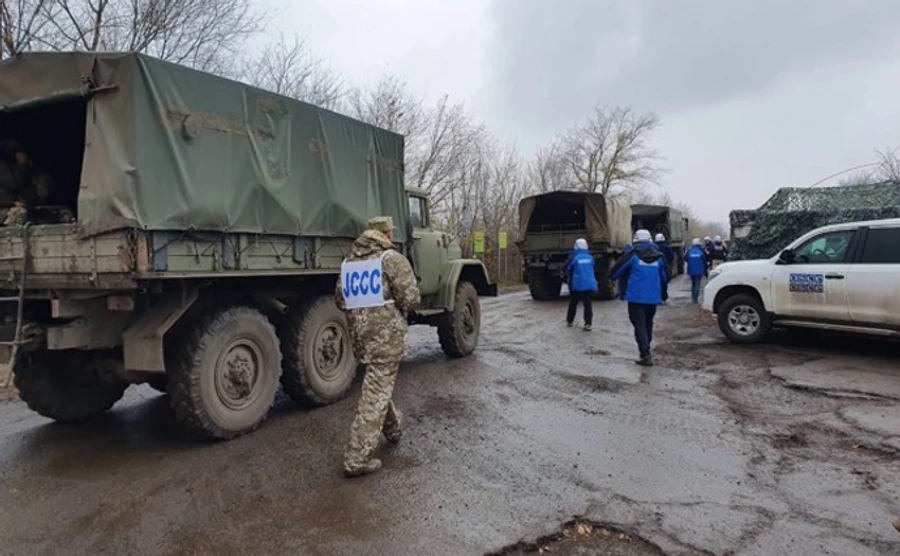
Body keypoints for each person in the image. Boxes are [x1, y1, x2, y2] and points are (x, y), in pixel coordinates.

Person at [335, 216, 421, 477]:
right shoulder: (390, 259)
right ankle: (356, 459)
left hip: (361, 338)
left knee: (378, 383)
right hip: (386, 338)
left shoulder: (349, 262)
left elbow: (340, 300)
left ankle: (393, 430)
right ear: (387, 235)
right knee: (375, 392)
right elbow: (411, 298)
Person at [610, 229, 668, 366]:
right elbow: (665, 277)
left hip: (635, 298)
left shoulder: (633, 255)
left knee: (638, 323)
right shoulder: (659, 257)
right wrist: (662, 293)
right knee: (648, 322)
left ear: (635, 240)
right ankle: (646, 346)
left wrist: (613, 278)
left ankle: (645, 353)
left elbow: (616, 271)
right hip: (653, 298)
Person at [564, 238, 598, 330]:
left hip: (577, 285)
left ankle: (570, 321)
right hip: (589, 284)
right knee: (587, 304)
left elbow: (567, 269)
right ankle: (588, 323)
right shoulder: (590, 257)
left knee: (573, 303)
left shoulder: (573, 257)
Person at [685, 238, 708, 304]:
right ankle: (695, 298)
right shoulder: (701, 251)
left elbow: (685, 258)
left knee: (693, 283)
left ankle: (693, 297)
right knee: (697, 284)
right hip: (699, 271)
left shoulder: (689, 251)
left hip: (691, 270)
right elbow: (705, 260)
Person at [654, 233, 675, 303]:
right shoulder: (667, 247)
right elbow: (671, 256)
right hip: (665, 266)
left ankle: (658, 297)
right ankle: (664, 297)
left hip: (656, 266)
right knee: (664, 282)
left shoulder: (654, 247)